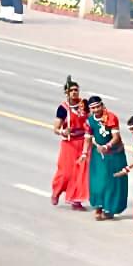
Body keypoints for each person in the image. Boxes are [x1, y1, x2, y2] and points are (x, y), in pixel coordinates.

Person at [84, 96, 128, 221]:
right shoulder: (89, 121)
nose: (96, 110)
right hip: (98, 154)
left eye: (98, 107)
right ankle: (98, 206)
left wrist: (107, 146)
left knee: (112, 182)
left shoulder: (111, 117)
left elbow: (116, 137)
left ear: (102, 105)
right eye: (93, 108)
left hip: (114, 154)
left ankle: (109, 209)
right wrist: (84, 153)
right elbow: (88, 138)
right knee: (98, 181)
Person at [51, 76, 89, 210]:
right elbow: (55, 129)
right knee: (66, 172)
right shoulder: (63, 108)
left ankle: (75, 200)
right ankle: (57, 191)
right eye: (72, 90)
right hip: (69, 143)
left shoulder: (84, 105)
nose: (74, 92)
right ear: (67, 93)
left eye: (76, 90)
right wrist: (63, 131)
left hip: (83, 141)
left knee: (81, 172)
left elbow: (91, 119)